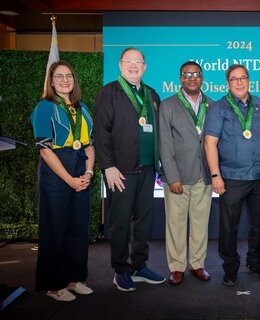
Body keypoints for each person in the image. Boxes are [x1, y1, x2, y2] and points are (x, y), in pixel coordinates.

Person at [94, 47, 165, 292]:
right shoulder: (109, 93)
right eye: (129, 61)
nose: (134, 65)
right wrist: (108, 167)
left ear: (144, 67)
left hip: (147, 169)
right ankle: (121, 270)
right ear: (120, 65)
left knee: (145, 220)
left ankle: (139, 266)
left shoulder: (152, 95)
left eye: (138, 62)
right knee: (120, 222)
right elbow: (101, 133)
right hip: (120, 171)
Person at [31, 60, 95, 301]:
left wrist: (88, 173)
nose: (65, 80)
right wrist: (69, 179)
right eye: (59, 76)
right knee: (54, 229)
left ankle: (73, 279)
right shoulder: (45, 107)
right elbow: (45, 151)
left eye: (68, 76)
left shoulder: (83, 108)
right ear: (51, 80)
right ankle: (53, 286)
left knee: (78, 228)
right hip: (56, 172)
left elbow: (90, 145)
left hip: (81, 168)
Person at [204, 64, 260, 286]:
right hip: (231, 177)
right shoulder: (218, 107)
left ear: (249, 80)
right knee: (228, 226)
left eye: (243, 78)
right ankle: (230, 267)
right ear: (228, 83)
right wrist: (215, 175)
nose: (239, 82)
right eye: (234, 79)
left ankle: (254, 262)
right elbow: (210, 142)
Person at [158, 61, 214, 285]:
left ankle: (198, 264)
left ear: (202, 78)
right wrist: (173, 177)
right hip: (178, 176)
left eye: (196, 74)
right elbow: (164, 144)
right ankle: (177, 266)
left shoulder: (212, 104)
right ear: (180, 78)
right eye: (187, 74)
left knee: (201, 223)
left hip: (204, 175)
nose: (192, 78)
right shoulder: (168, 105)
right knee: (176, 223)